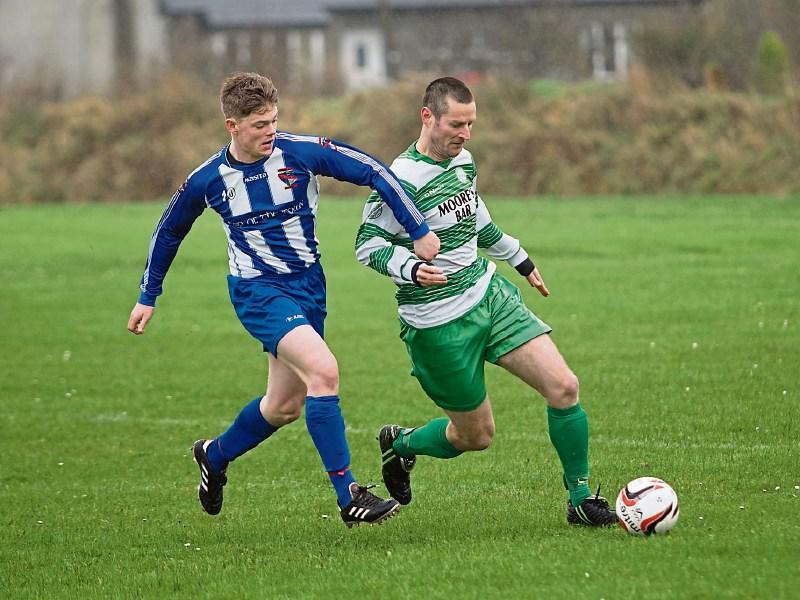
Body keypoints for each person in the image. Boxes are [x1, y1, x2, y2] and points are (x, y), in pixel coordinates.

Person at [127, 72, 440, 528]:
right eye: (259, 125)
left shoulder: (300, 152)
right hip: (258, 292)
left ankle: (214, 455)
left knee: (284, 406)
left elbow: (373, 170)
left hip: (309, 287)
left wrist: (419, 228)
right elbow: (169, 230)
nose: (270, 131)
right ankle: (347, 493)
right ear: (232, 125)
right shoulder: (209, 179)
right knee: (324, 370)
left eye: (273, 120)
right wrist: (147, 295)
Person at [355, 77, 617, 526]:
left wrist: (521, 260)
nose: (466, 134)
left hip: (489, 296)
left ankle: (579, 500)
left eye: (471, 124)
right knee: (476, 437)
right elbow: (367, 243)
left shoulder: (464, 162)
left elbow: (477, 219)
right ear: (428, 117)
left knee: (564, 387)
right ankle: (400, 444)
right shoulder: (400, 180)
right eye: (457, 124)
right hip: (437, 325)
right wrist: (411, 267)